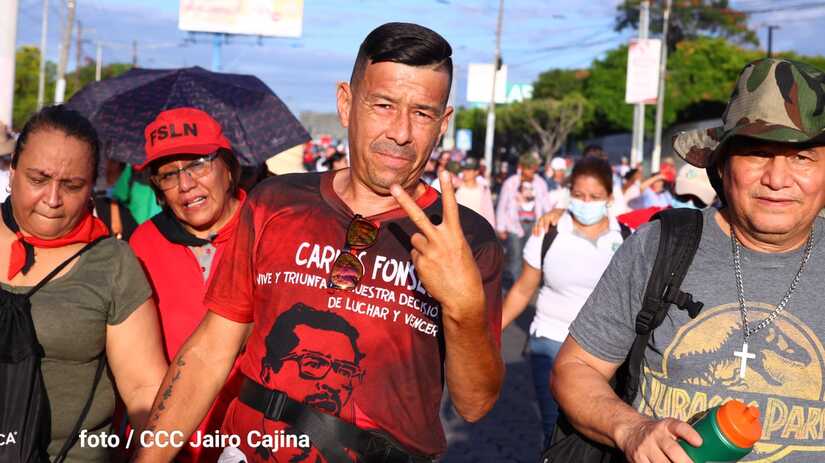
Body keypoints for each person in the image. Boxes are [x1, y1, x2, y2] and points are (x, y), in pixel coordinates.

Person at [134, 22, 504, 463]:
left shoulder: (465, 239)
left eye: (422, 113)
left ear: (443, 123)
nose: (401, 132)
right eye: (384, 105)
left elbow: (475, 404)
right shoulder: (275, 202)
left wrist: (465, 309)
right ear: (346, 103)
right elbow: (210, 352)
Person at [551, 58, 825, 463]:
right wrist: (631, 428)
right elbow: (575, 368)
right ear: (722, 165)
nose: (777, 179)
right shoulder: (660, 246)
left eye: (802, 157)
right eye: (757, 153)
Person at [0, 105, 167, 461]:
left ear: (92, 186)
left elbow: (144, 388)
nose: (52, 199)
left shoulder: (112, 264)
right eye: (38, 179)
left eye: (72, 185)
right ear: (12, 169)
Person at [128, 108, 247, 462]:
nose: (185, 185)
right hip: (168, 442)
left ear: (228, 168)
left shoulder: (268, 231)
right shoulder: (144, 243)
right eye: (168, 174)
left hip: (247, 442)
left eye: (198, 165)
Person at [501, 157, 626, 449]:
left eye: (594, 196)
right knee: (553, 427)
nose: (586, 203)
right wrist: (489, 332)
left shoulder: (626, 237)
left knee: (593, 435)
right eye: (579, 195)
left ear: (609, 197)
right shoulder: (549, 231)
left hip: (604, 352)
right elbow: (522, 290)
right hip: (550, 341)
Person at [496, 152, 551, 288]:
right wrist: (500, 227)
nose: (532, 171)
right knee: (515, 257)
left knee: (531, 257)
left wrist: (550, 219)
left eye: (534, 168)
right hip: (514, 226)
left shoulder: (540, 183)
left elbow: (546, 203)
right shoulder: (511, 183)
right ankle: (517, 286)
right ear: (521, 167)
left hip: (534, 225)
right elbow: (502, 205)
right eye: (529, 168)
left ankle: (527, 285)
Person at [455, 157, 495, 228]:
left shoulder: (484, 189)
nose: (465, 172)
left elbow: (489, 212)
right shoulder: (456, 187)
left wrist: (491, 228)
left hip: (478, 228)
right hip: (459, 228)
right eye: (464, 169)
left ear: (476, 172)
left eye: (468, 170)